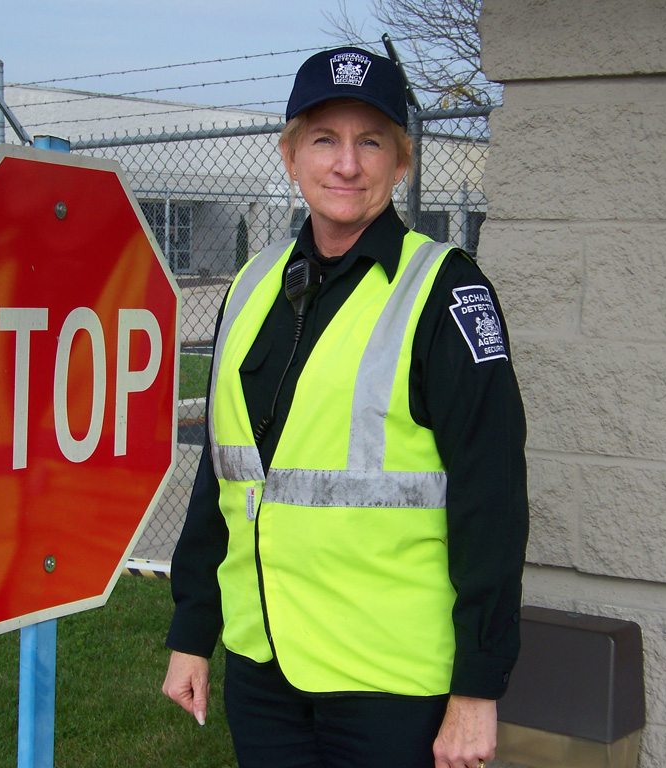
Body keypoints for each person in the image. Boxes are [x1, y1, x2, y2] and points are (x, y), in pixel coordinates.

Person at [161, 45, 528, 768]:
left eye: (371, 142)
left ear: (403, 162)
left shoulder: (444, 293)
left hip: (390, 687)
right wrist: (192, 629)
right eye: (325, 139)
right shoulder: (251, 285)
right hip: (266, 676)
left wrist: (477, 688)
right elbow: (225, 478)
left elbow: (493, 500)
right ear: (290, 155)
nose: (347, 164)